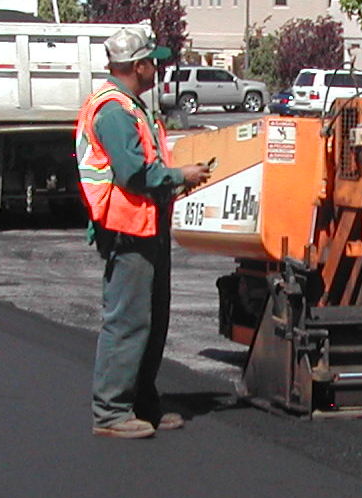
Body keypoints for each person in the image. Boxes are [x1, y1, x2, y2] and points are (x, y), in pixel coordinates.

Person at [73, 25, 211, 439]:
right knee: (128, 321)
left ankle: (143, 403)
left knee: (152, 319)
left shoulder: (131, 106)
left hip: (147, 225)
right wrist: (179, 175)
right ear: (138, 66)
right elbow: (133, 173)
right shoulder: (114, 111)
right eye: (154, 61)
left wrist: (176, 179)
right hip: (126, 229)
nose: (158, 68)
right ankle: (111, 412)